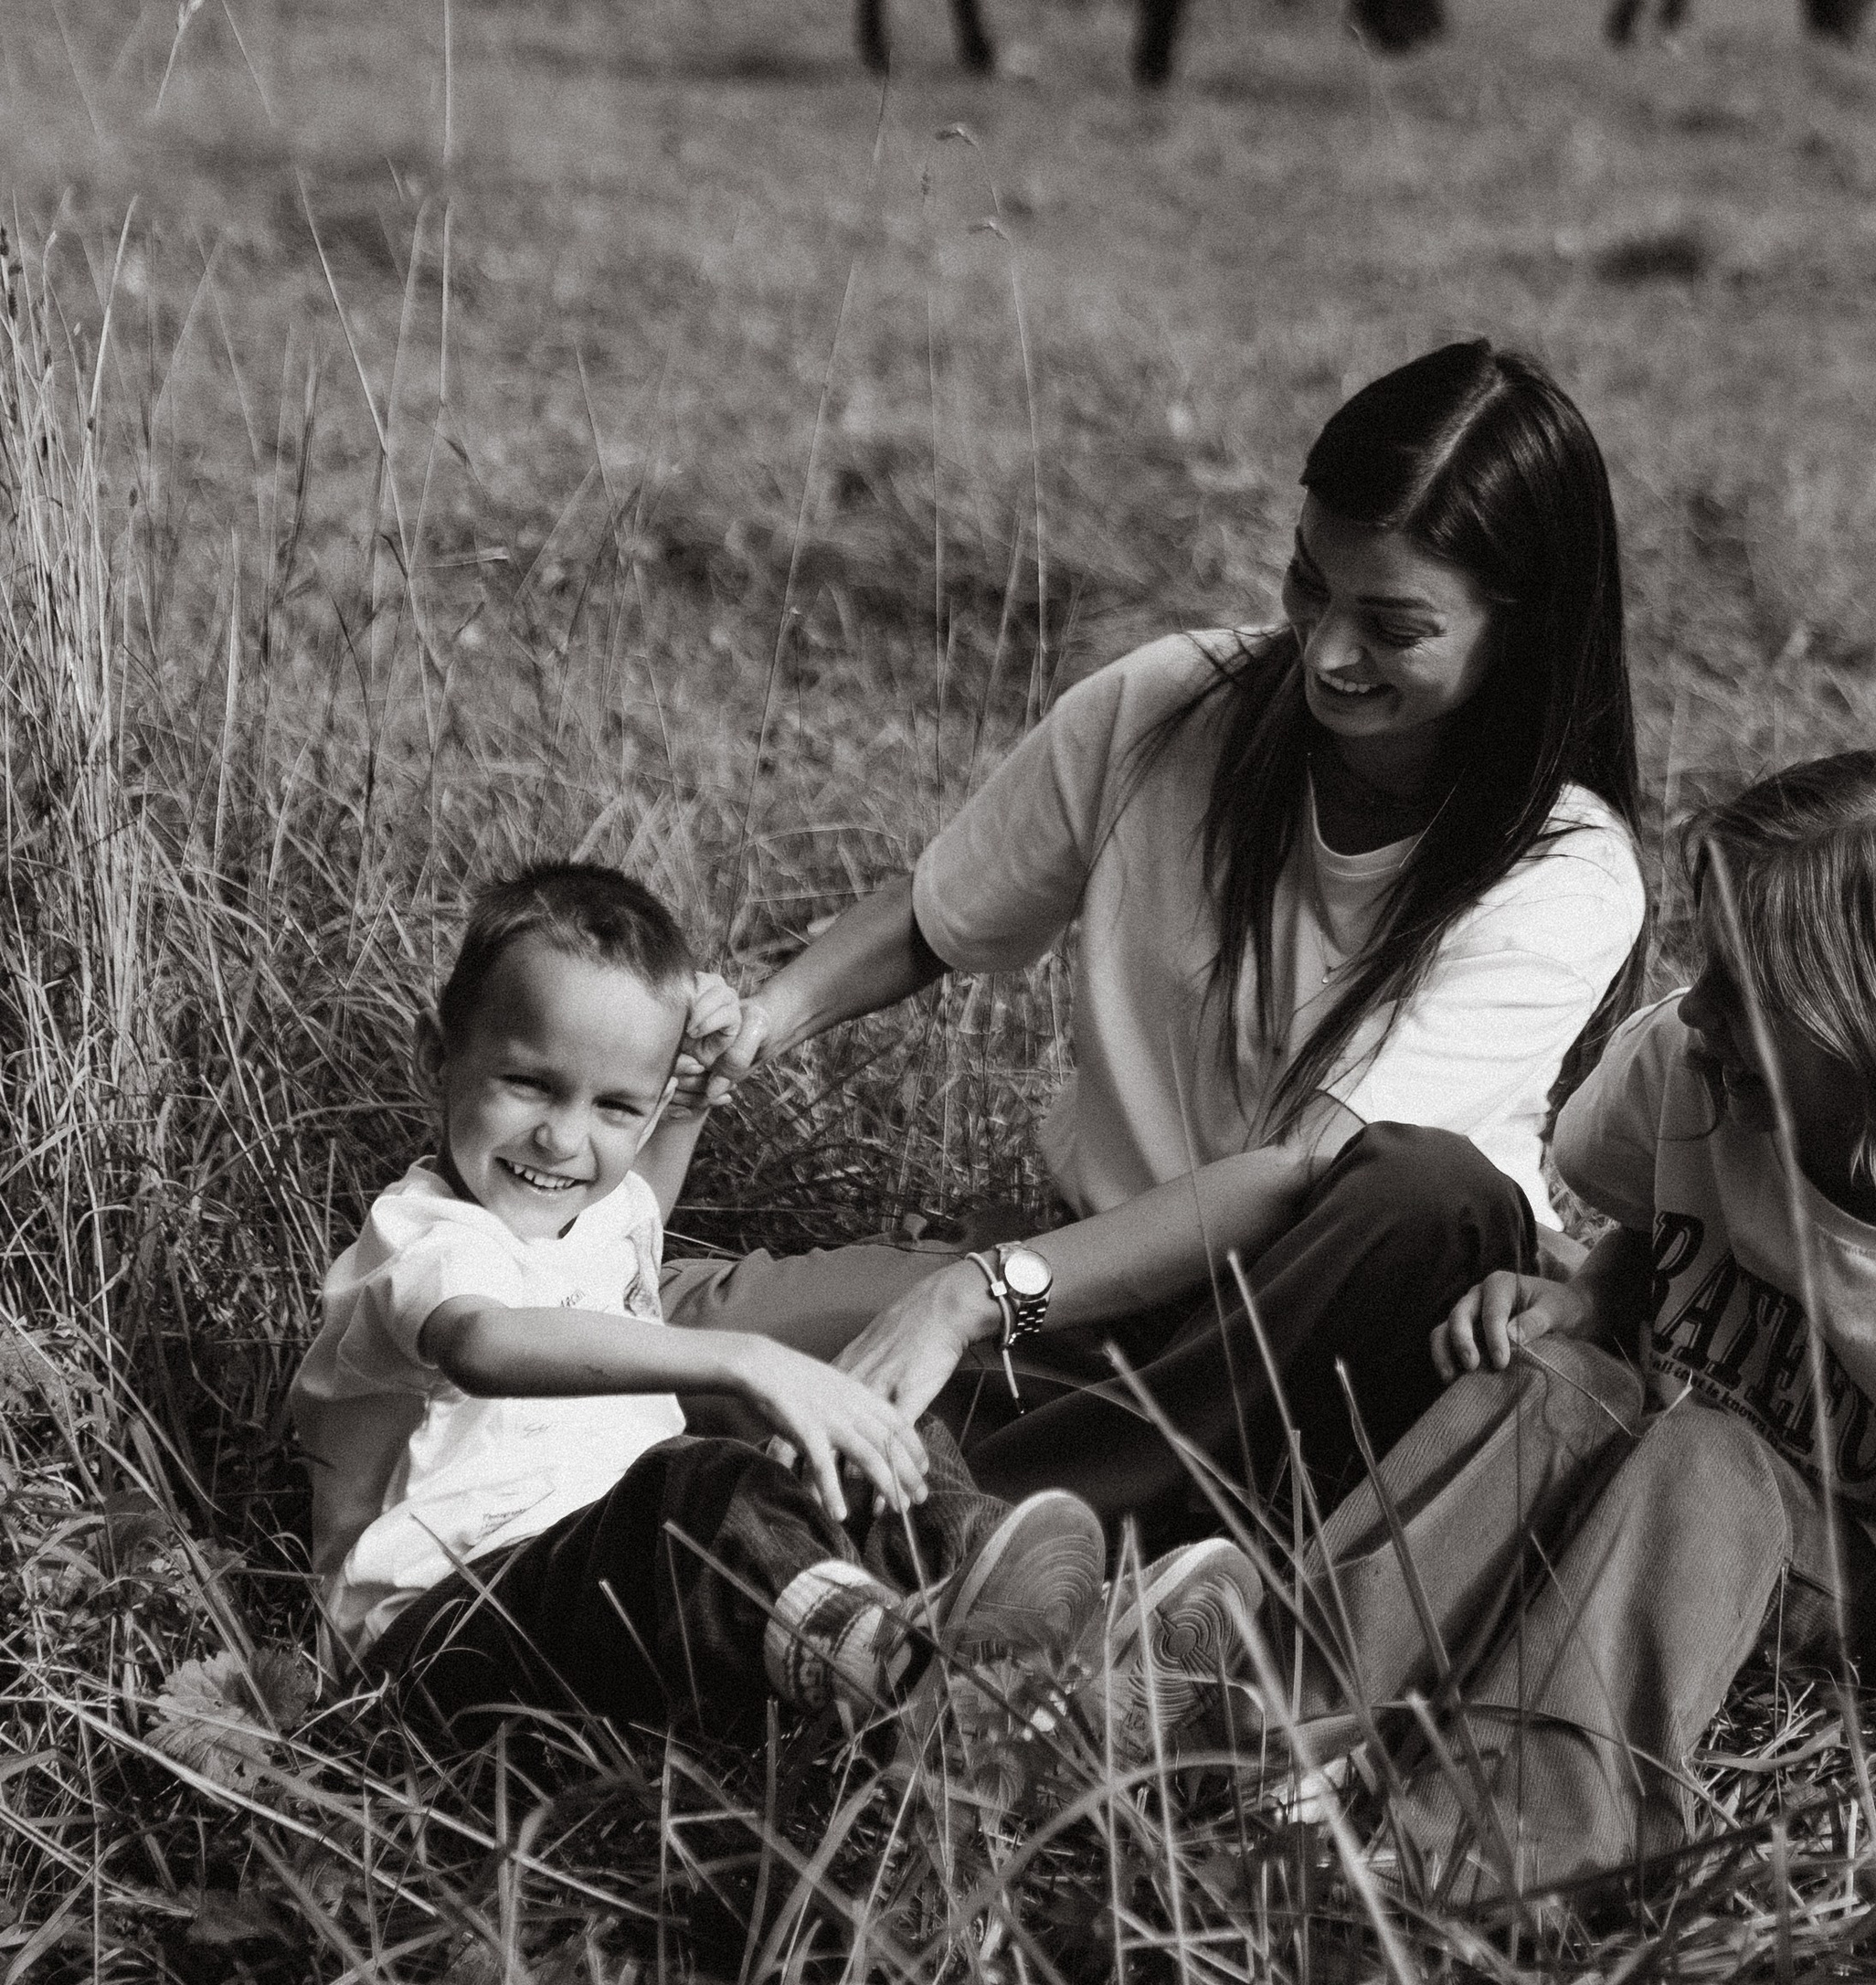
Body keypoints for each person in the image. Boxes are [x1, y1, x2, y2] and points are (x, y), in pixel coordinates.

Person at [668, 339, 1647, 1559]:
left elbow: (1303, 1170)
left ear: (1524, 628)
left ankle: (949, 1536)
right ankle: (1000, 1518)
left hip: (1322, 1344)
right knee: (692, 1335)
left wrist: (974, 1293)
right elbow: (934, 917)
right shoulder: (1171, 703)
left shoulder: (1564, 863)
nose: (1329, 653)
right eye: (1309, 587)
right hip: (1087, 1292)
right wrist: (761, 1022)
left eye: (1393, 626)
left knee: (1426, 1183)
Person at [1294, 751, 1876, 1893]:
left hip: (1873, 1588)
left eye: (1752, 993)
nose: (1701, 1008)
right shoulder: (1688, 1064)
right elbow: (1658, 1228)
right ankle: (1283, 1702)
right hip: (1667, 1448)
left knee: (1711, 1456)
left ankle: (1514, 1836)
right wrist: (1585, 1299)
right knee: (1550, 1377)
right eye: (1710, 966)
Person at [293, 862, 1237, 1742]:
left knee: (866, 1432)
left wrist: (690, 1103)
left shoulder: (589, 1212)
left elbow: (634, 1224)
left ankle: (1055, 1651)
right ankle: (908, 1681)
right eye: (529, 1083)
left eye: (616, 1107)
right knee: (693, 1483)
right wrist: (740, 1356)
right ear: (437, 1059)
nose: (563, 1138)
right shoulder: (422, 1237)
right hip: (438, 1638)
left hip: (615, 1603)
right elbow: (483, 1341)